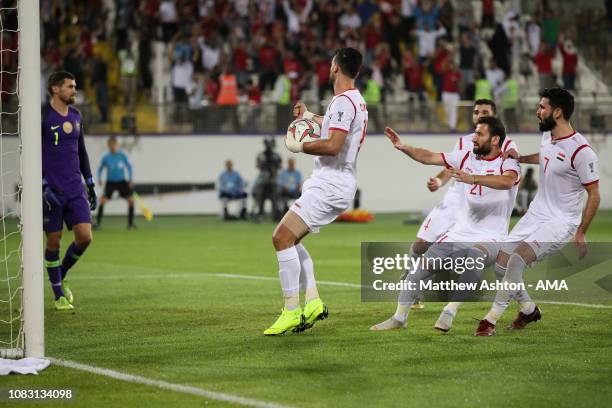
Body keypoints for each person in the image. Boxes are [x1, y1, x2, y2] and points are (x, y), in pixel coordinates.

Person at [371, 100, 518, 330]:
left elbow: (508, 181)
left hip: (490, 236)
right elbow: (429, 156)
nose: (473, 137)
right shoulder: (466, 156)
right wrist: (403, 146)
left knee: (473, 259)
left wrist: (474, 179)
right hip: (459, 230)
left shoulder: (507, 162)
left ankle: (450, 311)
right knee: (417, 270)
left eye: (479, 134)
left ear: (495, 139)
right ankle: (399, 318)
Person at [475, 88, 600, 336]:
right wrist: (520, 158)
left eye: (542, 107)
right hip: (536, 214)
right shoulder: (548, 138)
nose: (537, 111)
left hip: (560, 222)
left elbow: (594, 194)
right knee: (501, 266)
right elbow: (547, 158)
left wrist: (581, 232)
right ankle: (529, 310)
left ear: (558, 112)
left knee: (517, 261)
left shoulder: (581, 150)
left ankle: (490, 320)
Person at [264, 47, 368, 335]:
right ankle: (312, 302)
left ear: (335, 67)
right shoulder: (352, 100)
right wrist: (311, 117)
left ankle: (291, 311)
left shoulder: (344, 101)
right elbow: (336, 128)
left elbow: (333, 145)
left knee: (281, 237)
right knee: (292, 241)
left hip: (330, 183)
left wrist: (301, 145)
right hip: (334, 181)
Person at [41, 71, 97, 311]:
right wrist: (42, 184)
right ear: (55, 89)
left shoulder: (76, 115)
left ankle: (60, 274)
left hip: (76, 187)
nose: (75, 90)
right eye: (70, 87)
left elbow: (81, 150)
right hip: (52, 189)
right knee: (54, 241)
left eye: (75, 86)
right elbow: (33, 153)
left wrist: (90, 181)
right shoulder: (42, 117)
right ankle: (58, 296)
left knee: (85, 237)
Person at [95, 137, 135, 229]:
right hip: (110, 183)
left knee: (131, 200)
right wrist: (99, 179)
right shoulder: (106, 158)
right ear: (108, 145)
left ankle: (130, 224)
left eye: (114, 144)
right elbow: (100, 169)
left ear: (117, 145)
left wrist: (130, 179)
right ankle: (98, 223)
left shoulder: (122, 156)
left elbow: (129, 167)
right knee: (102, 201)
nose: (113, 146)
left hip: (122, 182)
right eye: (111, 144)